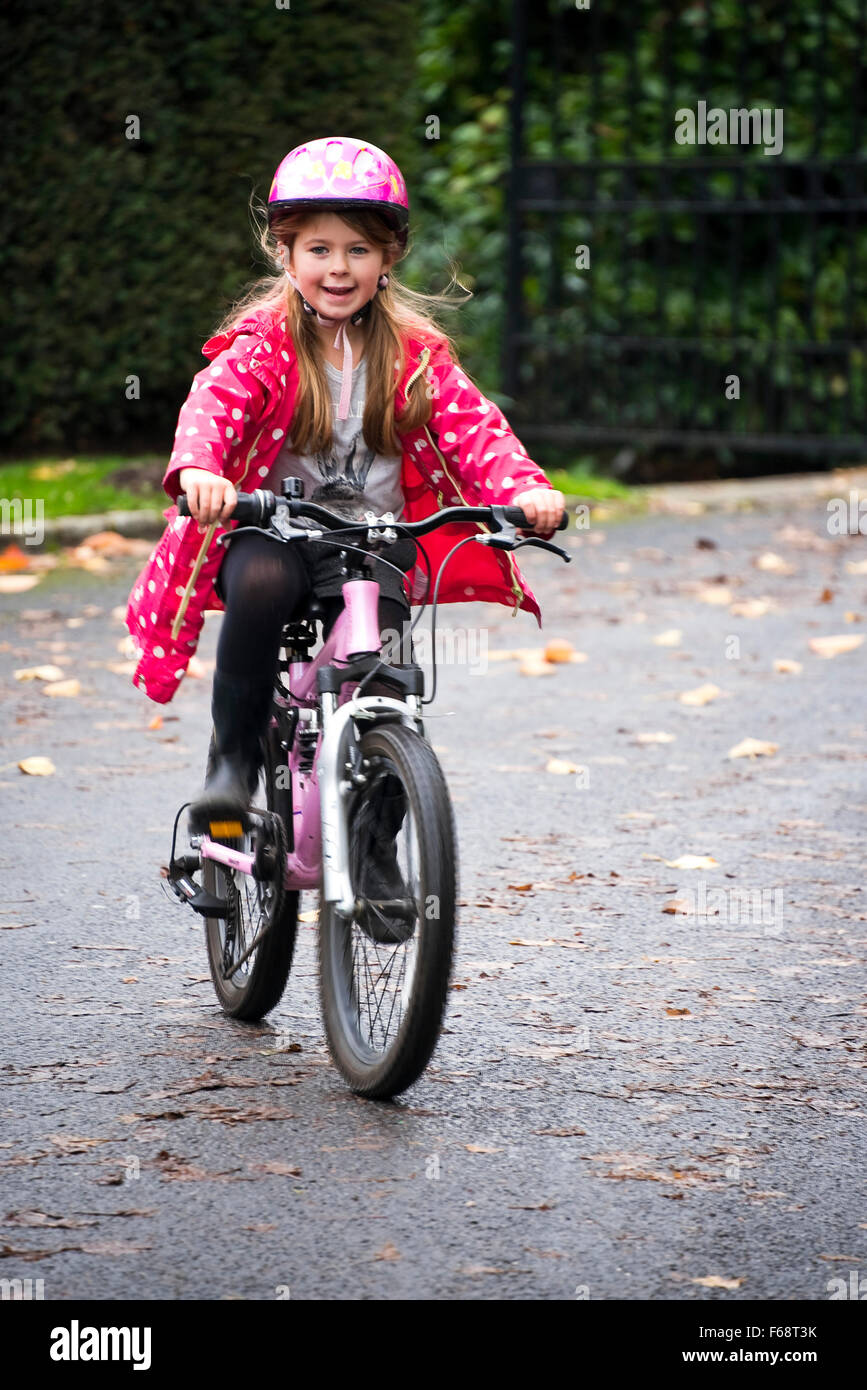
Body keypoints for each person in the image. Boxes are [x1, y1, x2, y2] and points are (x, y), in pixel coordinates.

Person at [126, 135, 565, 842]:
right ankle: (232, 765)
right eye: (319, 249)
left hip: (369, 544)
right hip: (270, 530)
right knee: (262, 583)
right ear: (286, 254)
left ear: (388, 258)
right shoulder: (262, 346)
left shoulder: (417, 357)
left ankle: (375, 845)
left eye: (358, 250)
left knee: (388, 685)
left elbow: (476, 431)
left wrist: (524, 489)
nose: (338, 268)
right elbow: (213, 405)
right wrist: (202, 472)